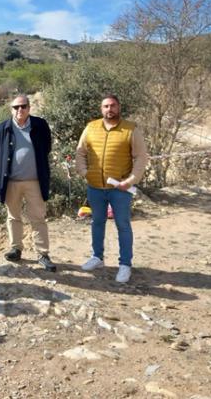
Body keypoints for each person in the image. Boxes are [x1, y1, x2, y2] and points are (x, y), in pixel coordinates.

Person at [76, 94, 148, 283]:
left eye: (113, 105)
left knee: (123, 225)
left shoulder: (130, 129)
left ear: (119, 107)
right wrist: (85, 173)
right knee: (97, 222)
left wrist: (131, 180)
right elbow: (80, 152)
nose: (110, 109)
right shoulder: (91, 128)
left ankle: (125, 265)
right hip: (95, 188)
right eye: (106, 106)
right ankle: (97, 257)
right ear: (101, 109)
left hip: (120, 189)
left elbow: (141, 157)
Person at [0, 94, 57, 272]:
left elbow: (47, 148)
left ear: (29, 107)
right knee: (13, 216)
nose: (20, 110)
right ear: (10, 109)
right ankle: (16, 249)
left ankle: (43, 254)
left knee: (38, 218)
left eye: (23, 106)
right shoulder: (2, 128)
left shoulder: (40, 125)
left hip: (35, 181)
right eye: (16, 107)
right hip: (11, 181)